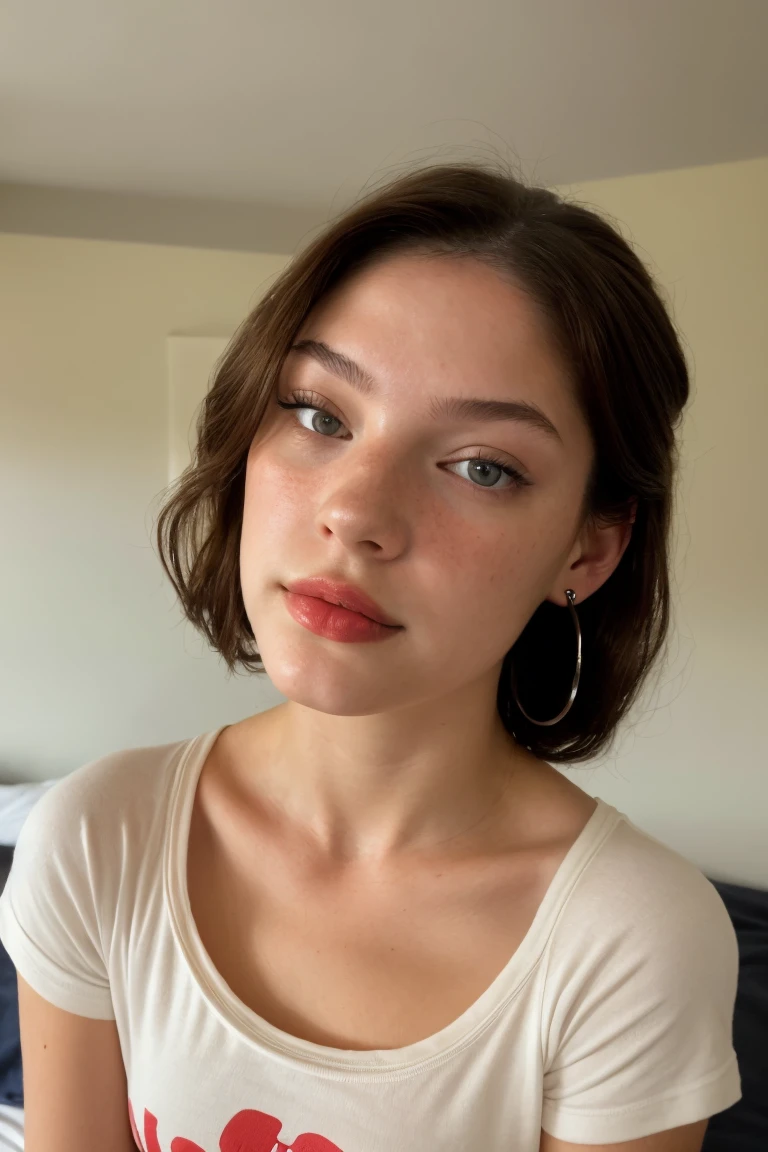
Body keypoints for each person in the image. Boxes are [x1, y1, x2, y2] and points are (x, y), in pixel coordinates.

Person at [0, 162, 741, 1152]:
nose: (353, 509)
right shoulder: (97, 838)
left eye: (482, 466)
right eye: (319, 413)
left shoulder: (630, 939)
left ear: (589, 548)